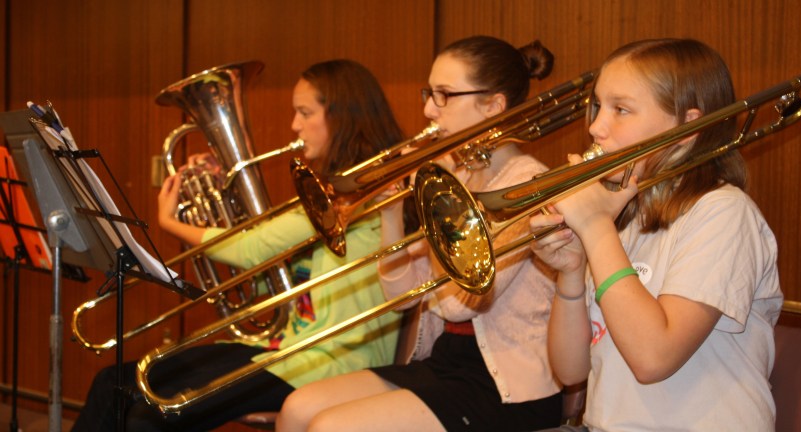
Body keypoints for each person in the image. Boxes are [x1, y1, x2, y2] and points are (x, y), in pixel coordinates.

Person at [71, 59, 405, 432]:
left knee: (147, 419)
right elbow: (275, 277)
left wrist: (171, 223)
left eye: (305, 112)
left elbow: (251, 249)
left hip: (328, 363)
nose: (294, 125)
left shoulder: (362, 198)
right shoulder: (326, 192)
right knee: (113, 383)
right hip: (285, 351)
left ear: (343, 116)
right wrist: (221, 198)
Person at [277, 35, 564, 432]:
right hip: (445, 361)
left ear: (493, 106)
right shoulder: (458, 175)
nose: (429, 109)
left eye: (444, 95)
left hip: (508, 384)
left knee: (331, 427)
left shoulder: (528, 185)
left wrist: (439, 204)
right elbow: (401, 297)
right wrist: (392, 213)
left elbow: (463, 304)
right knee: (297, 408)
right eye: (429, 93)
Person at [529, 38, 782, 431]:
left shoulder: (724, 212)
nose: (596, 127)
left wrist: (595, 229)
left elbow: (653, 358)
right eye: (598, 106)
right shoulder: (621, 216)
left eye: (621, 109)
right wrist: (571, 273)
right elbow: (571, 370)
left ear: (686, 127)